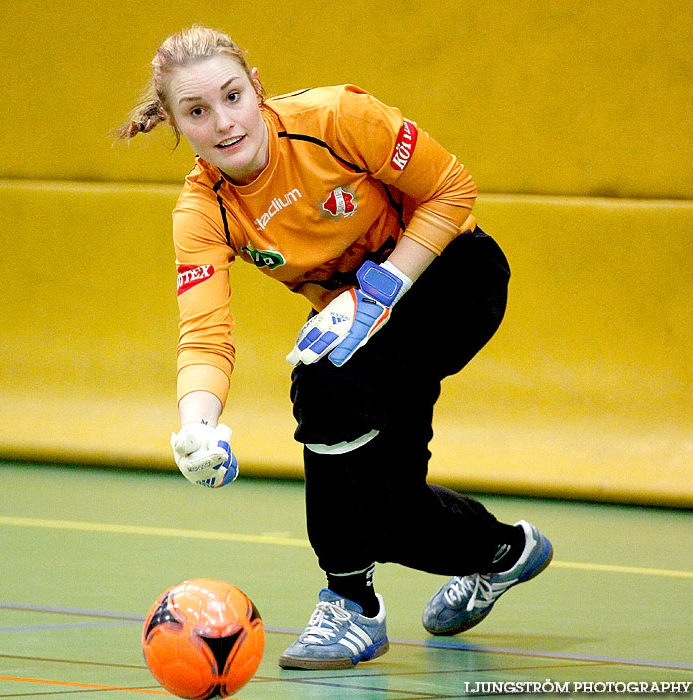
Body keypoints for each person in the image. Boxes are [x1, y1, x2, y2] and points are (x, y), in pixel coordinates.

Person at [116, 25, 553, 671]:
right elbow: (205, 330)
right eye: (198, 112)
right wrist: (196, 427)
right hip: (363, 325)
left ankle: (350, 604)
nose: (225, 122)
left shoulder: (337, 118)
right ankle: (502, 553)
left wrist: (378, 290)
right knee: (387, 513)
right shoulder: (203, 209)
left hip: (452, 274)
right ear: (178, 125)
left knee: (325, 384)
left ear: (257, 87)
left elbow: (451, 189)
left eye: (233, 96)